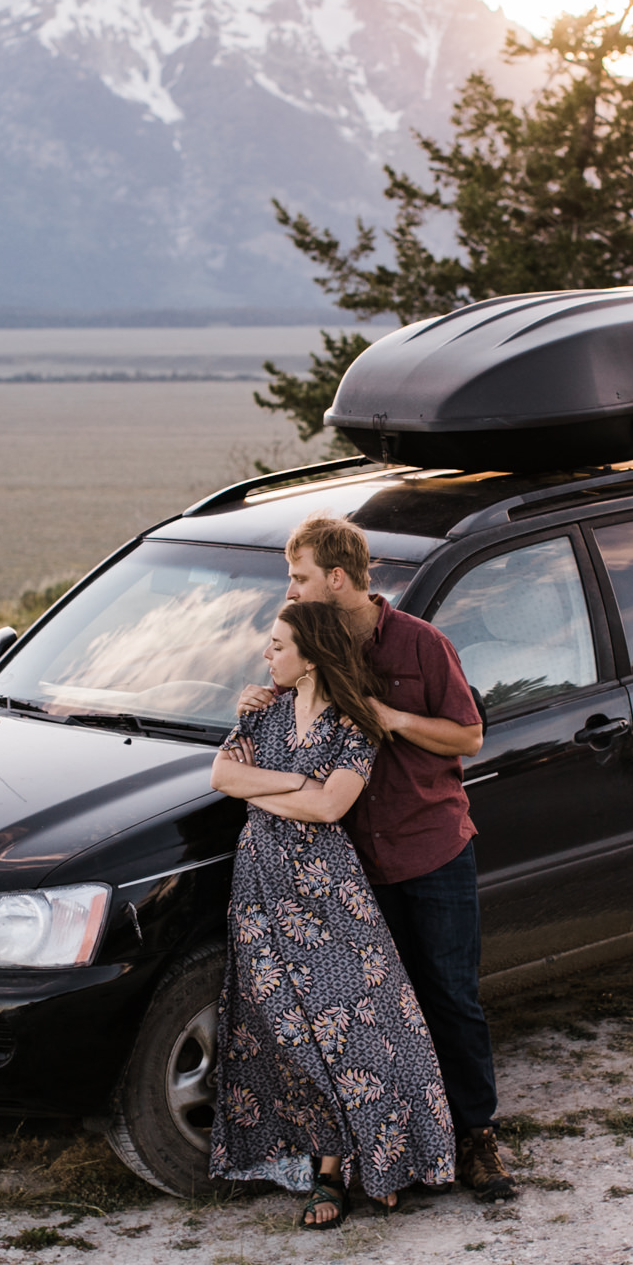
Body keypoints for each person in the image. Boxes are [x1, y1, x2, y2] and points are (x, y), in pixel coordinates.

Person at [238, 514, 514, 1202]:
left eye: (299, 577)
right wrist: (254, 699)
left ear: (336, 577)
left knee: (450, 997)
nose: (292, 591)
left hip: (431, 846)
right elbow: (285, 708)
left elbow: (471, 735)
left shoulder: (421, 644)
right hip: (353, 865)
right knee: (384, 1014)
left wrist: (394, 719)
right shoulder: (311, 644)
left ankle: (477, 1138)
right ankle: (408, 1154)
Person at [206, 599, 458, 1227]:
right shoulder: (261, 713)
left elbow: (333, 809)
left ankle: (386, 1161)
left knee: (367, 1028)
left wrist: (264, 786)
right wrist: (296, 785)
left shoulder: (355, 722)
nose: (267, 656)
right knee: (292, 1036)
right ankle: (325, 1167)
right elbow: (219, 776)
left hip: (331, 896)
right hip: (262, 892)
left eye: (278, 646)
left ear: (312, 659)